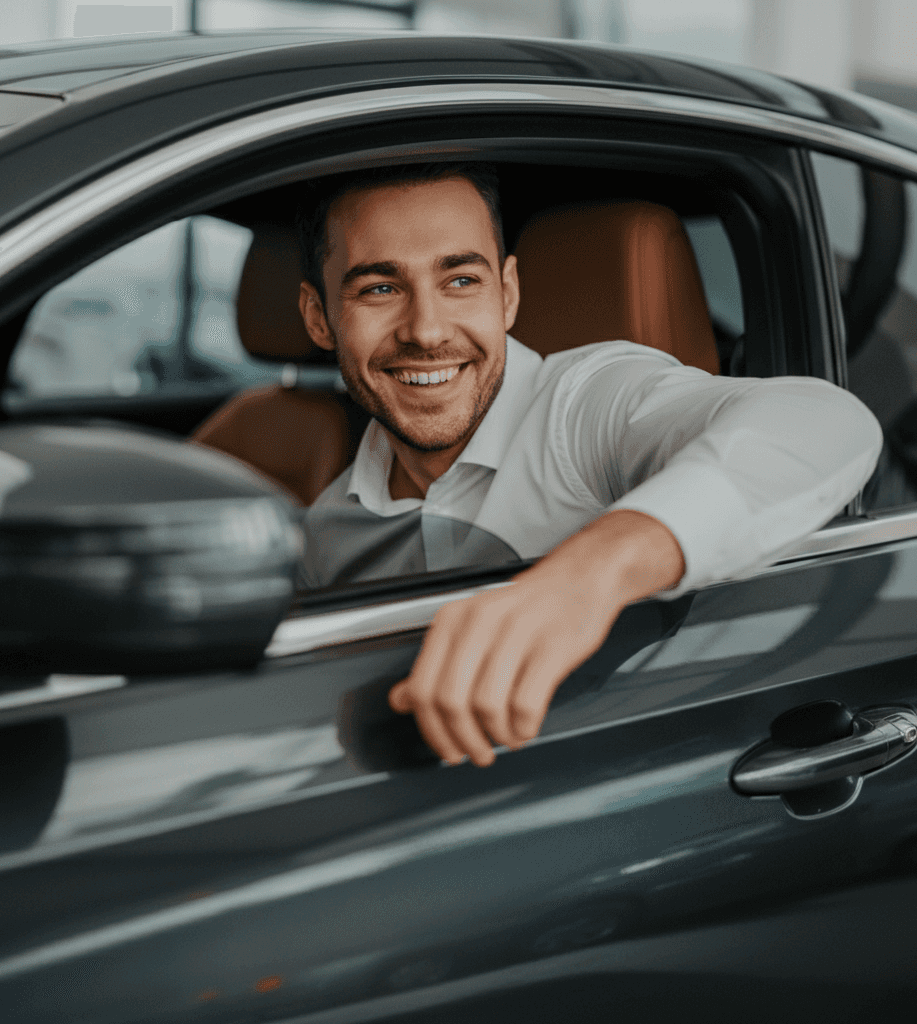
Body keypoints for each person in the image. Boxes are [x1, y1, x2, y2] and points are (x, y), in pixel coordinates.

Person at [293, 162, 882, 769]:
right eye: (380, 289)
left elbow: (828, 420)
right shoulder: (328, 528)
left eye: (462, 281)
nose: (426, 330)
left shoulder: (584, 406)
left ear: (509, 293)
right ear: (318, 317)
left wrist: (587, 578)